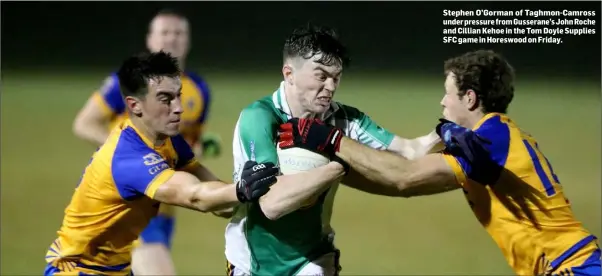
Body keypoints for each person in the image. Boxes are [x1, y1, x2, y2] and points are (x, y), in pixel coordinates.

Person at [278, 49, 601, 276]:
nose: (442, 101)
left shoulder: (490, 138)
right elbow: (398, 183)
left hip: (573, 266)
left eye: (448, 93)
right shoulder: (482, 142)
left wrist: (330, 139)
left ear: (470, 98)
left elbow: (403, 177)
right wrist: (331, 167)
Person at [225, 24, 442, 276]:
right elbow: (272, 204)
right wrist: (341, 164)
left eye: (336, 77)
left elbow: (411, 150)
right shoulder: (260, 117)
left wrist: (445, 132)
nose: (330, 86)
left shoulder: (344, 119)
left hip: (313, 262)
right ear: (289, 74)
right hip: (251, 264)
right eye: (321, 75)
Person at [44, 51, 278, 276]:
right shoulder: (129, 156)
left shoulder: (169, 139)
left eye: (178, 95)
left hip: (116, 269)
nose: (179, 108)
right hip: (77, 270)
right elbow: (194, 196)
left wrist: (248, 191)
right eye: (165, 99)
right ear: (134, 105)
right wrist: (241, 189)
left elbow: (217, 197)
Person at [71, 9, 224, 274]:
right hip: (124, 200)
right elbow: (84, 123)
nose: (171, 39)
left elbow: (183, 147)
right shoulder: (130, 81)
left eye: (178, 33)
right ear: (150, 39)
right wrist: (134, 153)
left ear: (188, 41)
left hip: (164, 205)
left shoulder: (199, 89)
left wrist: (197, 148)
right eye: (164, 32)